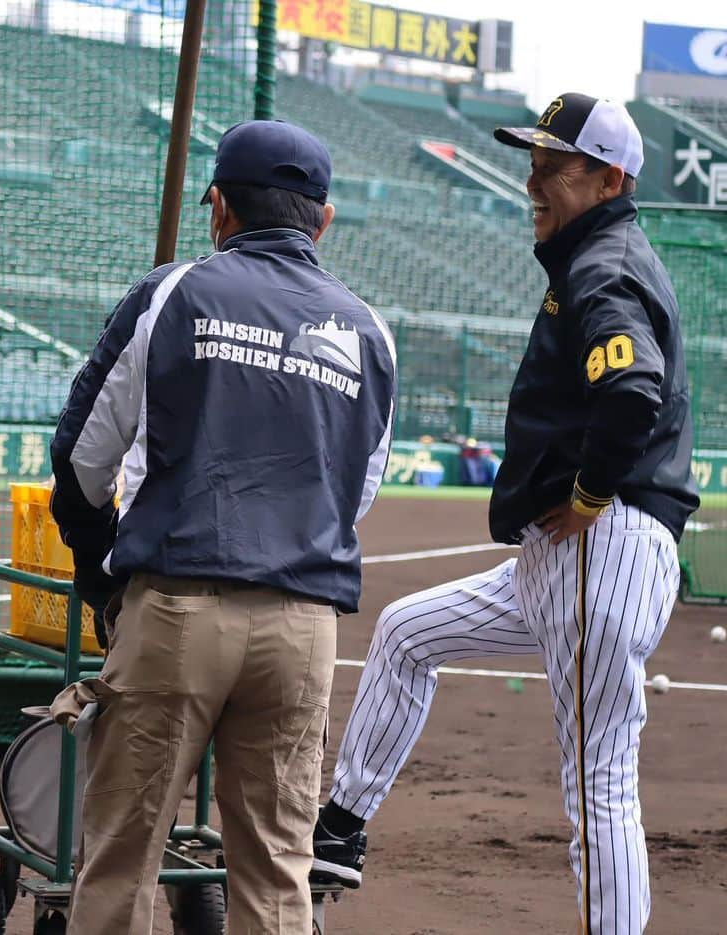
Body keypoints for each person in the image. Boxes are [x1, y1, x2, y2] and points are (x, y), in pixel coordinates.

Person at [310, 93, 699, 935]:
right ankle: (339, 827)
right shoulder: (590, 257)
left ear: (608, 178)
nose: (534, 178)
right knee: (409, 631)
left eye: (554, 165)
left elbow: (632, 391)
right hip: (559, 562)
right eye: (532, 160)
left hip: (606, 545)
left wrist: (592, 493)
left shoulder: (605, 265)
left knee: (600, 781)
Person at [49, 120, 397, 934]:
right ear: (324, 218)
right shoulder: (370, 331)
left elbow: (80, 462)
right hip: (303, 627)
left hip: (175, 607)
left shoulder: (175, 291)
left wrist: (103, 580)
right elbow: (356, 495)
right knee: (277, 875)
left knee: (120, 859)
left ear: (219, 209)